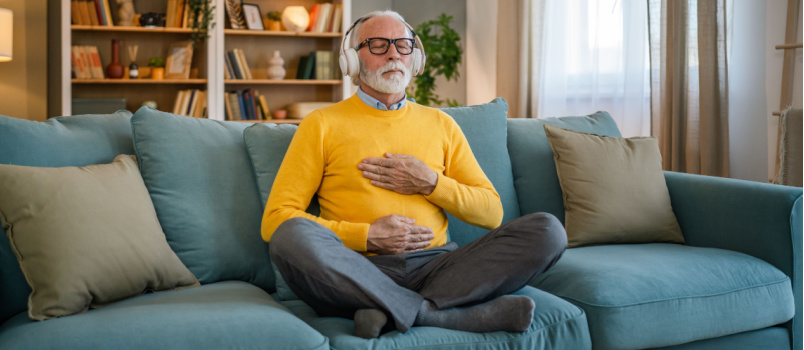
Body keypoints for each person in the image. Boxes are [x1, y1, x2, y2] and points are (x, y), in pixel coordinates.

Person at [262, 10, 567, 339]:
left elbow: (492, 213)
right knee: (289, 235)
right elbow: (276, 219)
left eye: (403, 45)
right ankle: (435, 315)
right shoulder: (321, 124)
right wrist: (367, 236)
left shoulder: (441, 124)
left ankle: (383, 310)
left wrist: (431, 184)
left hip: (437, 268)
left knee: (548, 231)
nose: (393, 53)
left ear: (415, 58)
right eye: (378, 45)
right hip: (355, 270)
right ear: (351, 60)